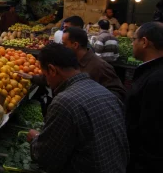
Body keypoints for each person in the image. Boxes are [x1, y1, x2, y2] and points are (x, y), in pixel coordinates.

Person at [28, 43, 129, 173]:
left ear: (52, 70)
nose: (47, 82)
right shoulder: (105, 92)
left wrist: (35, 139)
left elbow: (45, 157)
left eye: (45, 75)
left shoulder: (64, 102)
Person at [21, 27, 126, 102]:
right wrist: (32, 77)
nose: (61, 47)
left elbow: (119, 95)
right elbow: (57, 77)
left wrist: (87, 100)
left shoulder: (100, 66)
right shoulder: (70, 61)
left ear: (75, 45)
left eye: (64, 44)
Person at [126, 22, 163, 173]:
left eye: (134, 39)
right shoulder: (152, 72)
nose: (132, 43)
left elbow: (152, 130)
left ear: (144, 42)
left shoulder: (156, 79)